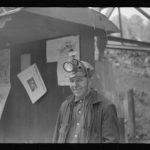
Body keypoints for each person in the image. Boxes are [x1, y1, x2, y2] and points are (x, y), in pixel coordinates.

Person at [52, 58, 120, 143]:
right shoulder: (65, 106)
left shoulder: (106, 107)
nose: (75, 85)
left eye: (79, 80)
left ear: (90, 81)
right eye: (72, 81)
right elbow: (56, 138)